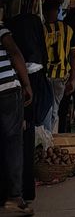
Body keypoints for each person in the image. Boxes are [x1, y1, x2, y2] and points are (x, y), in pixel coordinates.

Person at [0, 21, 34, 216]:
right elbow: (14, 53)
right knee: (13, 143)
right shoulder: (1, 28)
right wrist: (27, 84)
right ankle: (14, 197)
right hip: (7, 91)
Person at [42, 0, 75, 133]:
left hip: (46, 75)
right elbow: (74, 56)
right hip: (60, 76)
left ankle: (47, 139)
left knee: (46, 109)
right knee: (54, 108)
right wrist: (72, 79)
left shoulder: (42, 29)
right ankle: (49, 137)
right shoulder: (68, 30)